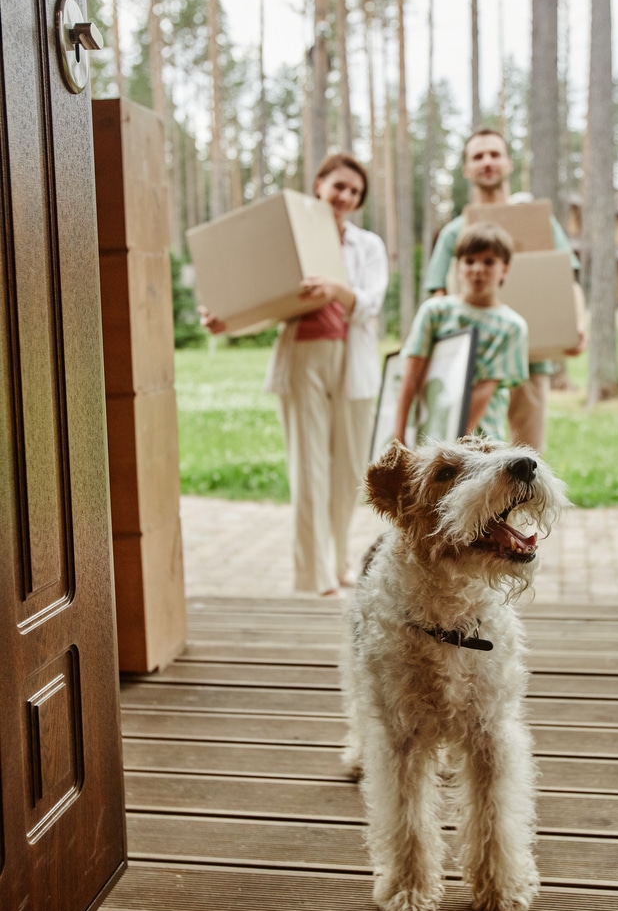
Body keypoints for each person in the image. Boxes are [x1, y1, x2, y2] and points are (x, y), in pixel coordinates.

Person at [202, 153, 388, 598]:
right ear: (319, 184)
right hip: (304, 355)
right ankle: (314, 578)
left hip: (353, 362)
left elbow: (371, 303)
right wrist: (226, 319)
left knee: (348, 472)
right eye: (338, 186)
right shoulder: (290, 236)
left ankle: (340, 562)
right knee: (310, 470)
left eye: (355, 192)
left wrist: (336, 290)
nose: (345, 196)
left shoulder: (369, 246)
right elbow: (262, 295)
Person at [423, 128, 585, 454]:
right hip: (474, 367)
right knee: (475, 463)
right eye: (478, 156)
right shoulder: (454, 232)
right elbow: (438, 294)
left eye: (494, 154)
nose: (487, 162)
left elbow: (568, 279)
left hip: (531, 360)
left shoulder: (539, 221)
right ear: (467, 169)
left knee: (529, 463)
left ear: (508, 164)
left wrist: (577, 326)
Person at [393, 222, 528, 445]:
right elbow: (412, 374)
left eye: (488, 262)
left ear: (505, 268)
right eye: (469, 261)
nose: (477, 269)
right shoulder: (434, 311)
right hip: (427, 431)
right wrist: (398, 434)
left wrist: (457, 444)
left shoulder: (512, 326)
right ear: (457, 266)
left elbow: (485, 388)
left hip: (480, 439)